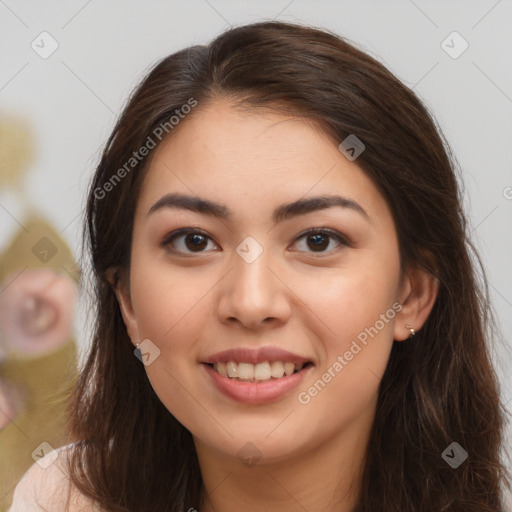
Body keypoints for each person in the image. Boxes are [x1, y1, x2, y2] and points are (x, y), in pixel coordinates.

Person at [9, 20, 511, 512]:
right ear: (127, 301)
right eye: (194, 240)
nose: (250, 303)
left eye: (318, 240)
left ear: (412, 294)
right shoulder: (61, 500)